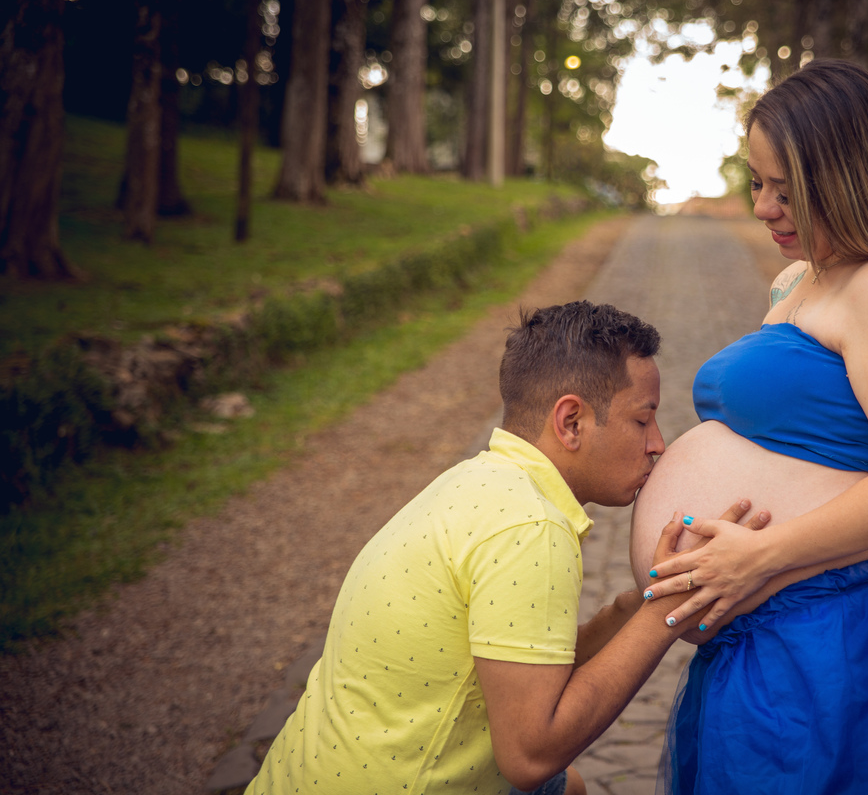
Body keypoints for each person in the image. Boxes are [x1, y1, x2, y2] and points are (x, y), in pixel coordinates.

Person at [244, 300, 767, 795]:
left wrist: (640, 602)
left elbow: (531, 668)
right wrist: (666, 615)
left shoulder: (476, 482)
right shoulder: (530, 528)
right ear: (571, 422)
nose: (658, 442)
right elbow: (530, 757)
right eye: (641, 418)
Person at [630, 59, 868, 794]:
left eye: (789, 190)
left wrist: (760, 557)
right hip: (762, 624)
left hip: (826, 625)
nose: (764, 208)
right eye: (758, 182)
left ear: (849, 180)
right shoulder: (799, 280)